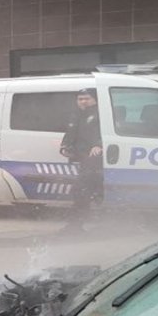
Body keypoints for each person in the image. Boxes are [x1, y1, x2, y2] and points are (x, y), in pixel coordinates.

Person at [59, 88, 104, 231]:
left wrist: (99, 144)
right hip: (80, 158)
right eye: (80, 99)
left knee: (81, 190)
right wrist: (65, 145)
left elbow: (107, 132)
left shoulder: (101, 114)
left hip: (93, 160)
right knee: (83, 191)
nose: (83, 101)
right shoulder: (76, 114)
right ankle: (78, 224)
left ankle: (76, 225)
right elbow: (71, 131)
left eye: (87, 98)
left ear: (95, 99)